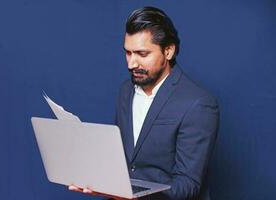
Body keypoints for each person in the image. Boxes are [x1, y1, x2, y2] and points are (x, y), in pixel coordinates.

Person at [69, 6, 219, 200]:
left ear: (168, 51)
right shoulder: (125, 91)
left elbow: (187, 187)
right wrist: (96, 178)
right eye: (128, 53)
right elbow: (126, 162)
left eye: (142, 54)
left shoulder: (198, 104)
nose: (132, 64)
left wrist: (129, 195)